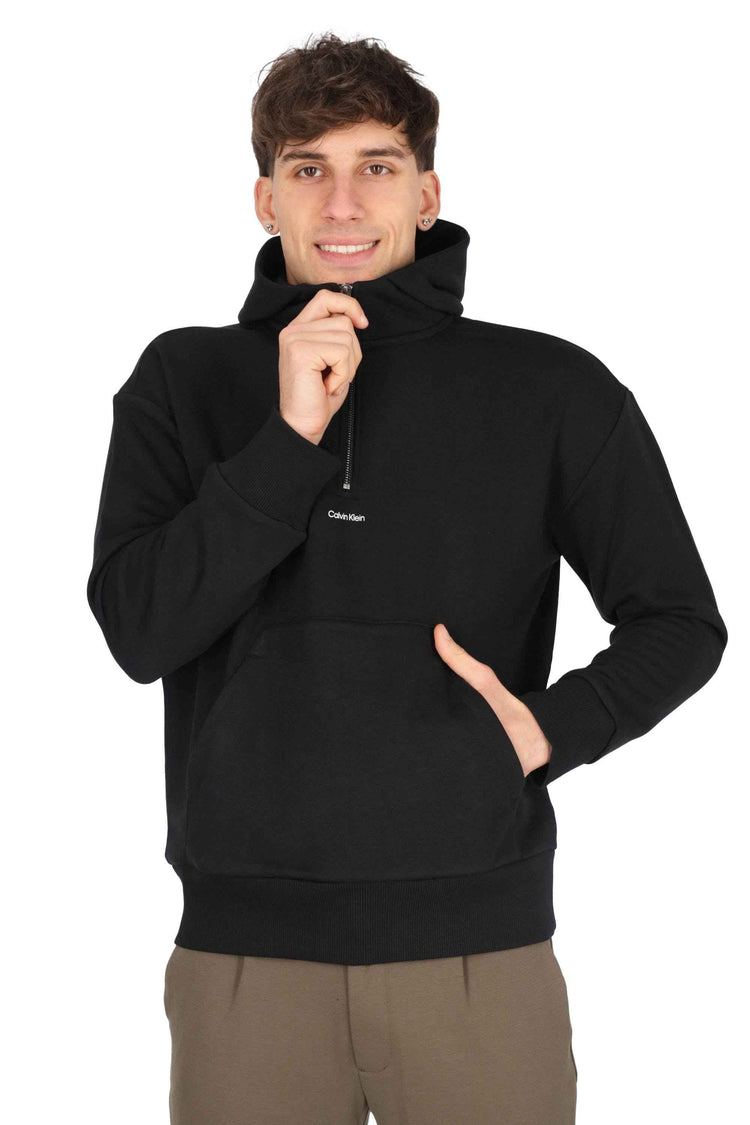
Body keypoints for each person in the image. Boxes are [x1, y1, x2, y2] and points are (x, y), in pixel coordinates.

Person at [85, 32, 728, 1125]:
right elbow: (139, 630)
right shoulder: (182, 379)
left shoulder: (551, 389)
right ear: (265, 200)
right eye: (308, 168)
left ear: (426, 193)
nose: (342, 203)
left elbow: (679, 620)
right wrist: (289, 438)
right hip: (244, 962)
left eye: (375, 166)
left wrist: (546, 730)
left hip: (481, 955)